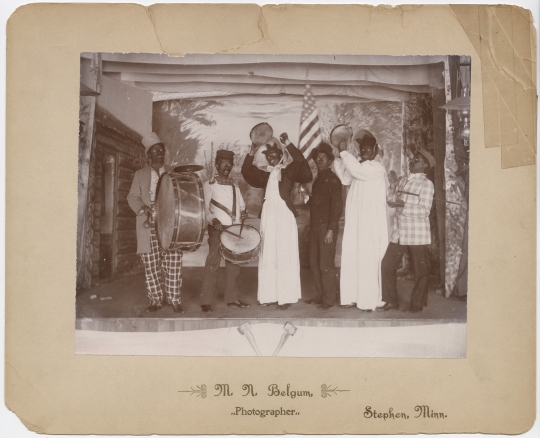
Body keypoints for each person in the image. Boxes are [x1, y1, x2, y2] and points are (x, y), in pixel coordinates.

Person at [241, 132, 312, 310]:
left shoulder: (288, 171)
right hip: (268, 214)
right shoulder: (264, 175)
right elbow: (246, 172)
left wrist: (288, 143)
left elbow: (302, 163)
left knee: (284, 253)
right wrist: (251, 153)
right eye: (269, 157)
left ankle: (285, 296)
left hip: (284, 213)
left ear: (281, 156)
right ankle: (270, 295)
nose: (272, 159)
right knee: (269, 252)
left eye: (275, 156)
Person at [127, 132, 184, 313]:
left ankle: (174, 299)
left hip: (170, 224)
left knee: (173, 261)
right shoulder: (140, 174)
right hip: (148, 223)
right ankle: (155, 300)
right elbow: (133, 196)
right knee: (151, 264)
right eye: (155, 150)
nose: (160, 153)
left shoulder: (173, 173)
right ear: (149, 154)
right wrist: (144, 208)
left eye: (162, 150)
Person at [333, 129, 388, 311]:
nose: (364, 152)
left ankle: (370, 299)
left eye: (368, 149)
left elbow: (356, 169)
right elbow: (344, 177)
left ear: (375, 150)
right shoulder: (359, 167)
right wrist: (340, 156)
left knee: (367, 257)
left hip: (370, 223)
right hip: (356, 222)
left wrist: (343, 152)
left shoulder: (376, 168)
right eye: (362, 149)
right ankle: (352, 297)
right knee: (353, 254)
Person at [377, 150, 435, 313]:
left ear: (424, 165)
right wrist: (393, 187)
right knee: (387, 265)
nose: (411, 162)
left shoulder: (427, 184)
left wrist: (403, 205)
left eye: (416, 160)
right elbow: (392, 200)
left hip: (418, 234)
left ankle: (417, 303)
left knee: (421, 271)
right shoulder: (403, 181)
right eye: (412, 159)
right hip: (400, 232)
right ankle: (391, 300)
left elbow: (424, 211)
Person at [200, 149, 249, 313]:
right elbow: (204, 208)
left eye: (230, 164)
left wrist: (243, 212)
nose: (227, 166)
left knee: (234, 265)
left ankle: (232, 298)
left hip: (233, 229)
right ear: (216, 165)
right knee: (213, 263)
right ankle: (206, 301)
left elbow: (241, 206)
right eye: (224, 163)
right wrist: (213, 220)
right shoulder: (209, 185)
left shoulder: (235, 186)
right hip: (217, 229)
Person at [305, 142, 343, 310]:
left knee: (325, 264)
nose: (319, 161)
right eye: (317, 158)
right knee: (314, 263)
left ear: (330, 161)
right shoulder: (318, 179)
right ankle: (320, 295)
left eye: (323, 158)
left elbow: (337, 206)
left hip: (326, 228)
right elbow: (314, 204)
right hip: (314, 227)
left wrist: (331, 229)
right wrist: (307, 195)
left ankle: (329, 300)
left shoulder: (333, 180)